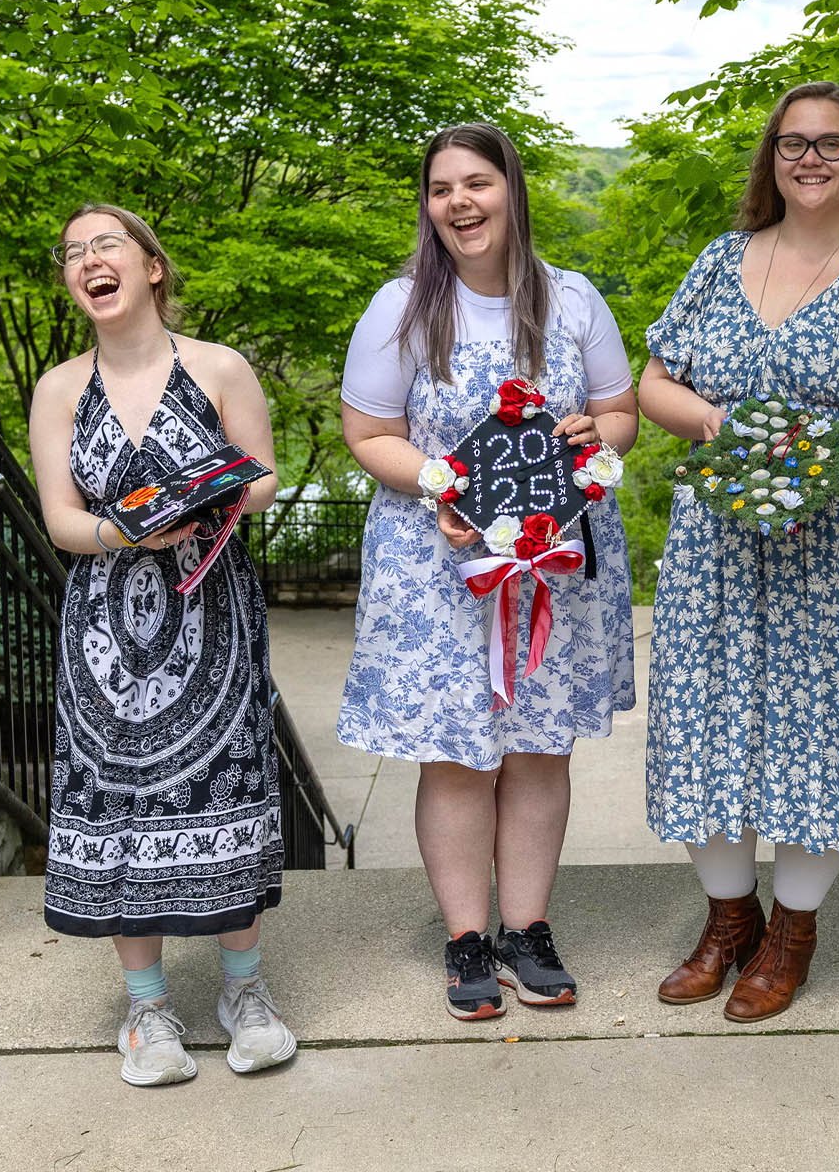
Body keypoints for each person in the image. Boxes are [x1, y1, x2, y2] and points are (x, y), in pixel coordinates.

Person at [638, 82, 839, 1022]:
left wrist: (817, 449)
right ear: (770, 159)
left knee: (825, 733)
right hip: (720, 543)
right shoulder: (722, 257)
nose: (810, 158)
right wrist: (715, 421)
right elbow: (659, 382)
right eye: (792, 143)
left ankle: (792, 932)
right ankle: (727, 921)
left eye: (832, 143)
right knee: (709, 719)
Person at [337, 123, 638, 1022]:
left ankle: (527, 929)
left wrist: (598, 441)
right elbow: (368, 435)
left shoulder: (574, 299)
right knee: (458, 758)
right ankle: (466, 938)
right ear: (428, 208)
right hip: (440, 564)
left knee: (542, 748)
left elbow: (618, 416)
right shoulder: (399, 308)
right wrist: (440, 479)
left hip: (553, 562)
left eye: (478, 184)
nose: (460, 203)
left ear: (513, 191)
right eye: (441, 190)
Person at [28, 203, 294, 1086]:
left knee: (224, 783)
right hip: (103, 623)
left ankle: (244, 995)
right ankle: (146, 1011)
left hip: (211, 606)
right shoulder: (60, 387)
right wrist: (123, 533)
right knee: (116, 801)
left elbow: (262, 478)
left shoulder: (220, 366)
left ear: (150, 266)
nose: (88, 260)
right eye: (73, 253)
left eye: (106, 244)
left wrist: (207, 493)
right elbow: (62, 520)